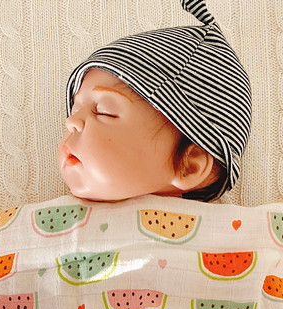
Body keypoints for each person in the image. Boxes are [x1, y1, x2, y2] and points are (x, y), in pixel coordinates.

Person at [58, 0, 252, 203]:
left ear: (189, 165)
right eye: (75, 109)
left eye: (104, 111)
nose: (71, 122)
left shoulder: (246, 223)